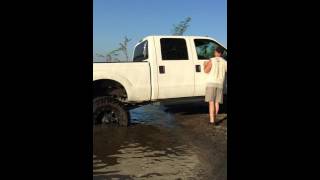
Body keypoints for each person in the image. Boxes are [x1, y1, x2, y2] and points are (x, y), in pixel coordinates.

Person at [203, 46, 227, 125]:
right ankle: (214, 118)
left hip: (211, 83)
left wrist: (204, 65)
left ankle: (212, 121)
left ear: (216, 52)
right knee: (217, 103)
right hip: (220, 84)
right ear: (222, 54)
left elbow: (206, 71)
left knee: (211, 103)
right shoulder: (224, 62)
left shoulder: (212, 60)